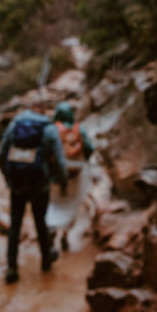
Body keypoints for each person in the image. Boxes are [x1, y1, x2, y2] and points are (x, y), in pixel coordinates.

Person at [0, 105, 69, 284]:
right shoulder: (49, 129)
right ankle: (46, 260)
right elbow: (60, 160)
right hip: (39, 185)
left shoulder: (14, 125)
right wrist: (63, 181)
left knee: (15, 226)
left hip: (17, 186)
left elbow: (0, 155)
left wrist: (9, 179)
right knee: (41, 222)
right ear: (42, 113)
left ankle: (12, 267)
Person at [48, 101, 95, 251]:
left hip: (55, 175)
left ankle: (52, 229)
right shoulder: (79, 130)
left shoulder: (52, 130)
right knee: (72, 204)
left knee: (55, 204)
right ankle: (65, 235)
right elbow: (89, 148)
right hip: (76, 174)